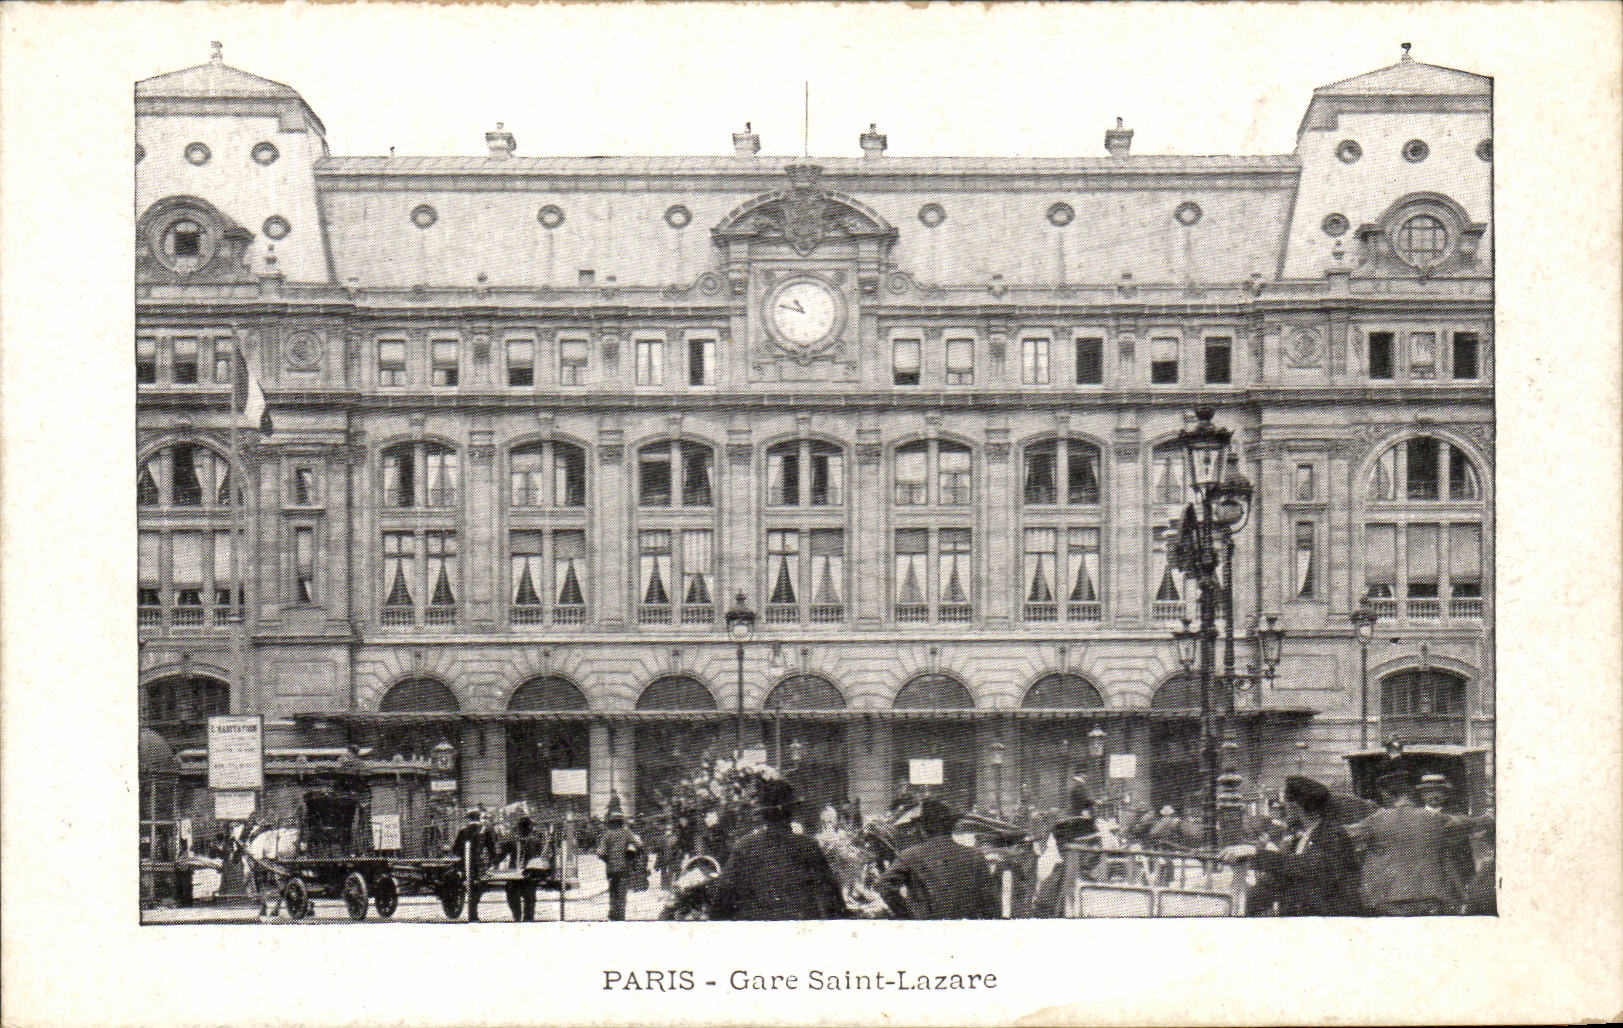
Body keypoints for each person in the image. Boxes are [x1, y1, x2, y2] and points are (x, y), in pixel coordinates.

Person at [709, 779, 847, 920]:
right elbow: (832, 899)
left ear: (763, 814)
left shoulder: (745, 847)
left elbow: (721, 901)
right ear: (792, 812)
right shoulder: (808, 846)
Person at [1222, 776, 1360, 916]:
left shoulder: (1333, 835)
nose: (1283, 809)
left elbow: (1304, 867)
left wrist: (1254, 852)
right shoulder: (1301, 837)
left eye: (1285, 803)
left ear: (1296, 807)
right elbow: (1281, 877)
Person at [1343, 772, 1462, 916]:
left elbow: (1344, 836)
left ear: (1386, 794)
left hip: (1390, 897)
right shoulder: (1435, 818)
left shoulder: (1377, 819)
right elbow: (1469, 823)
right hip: (1430, 897)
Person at [879, 799, 1001, 920]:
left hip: (924, 930)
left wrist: (907, 915)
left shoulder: (910, 855)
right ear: (952, 827)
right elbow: (990, 903)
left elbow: (884, 886)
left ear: (923, 828)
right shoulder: (974, 855)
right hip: (963, 931)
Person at [450, 808, 496, 922]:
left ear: (468, 819)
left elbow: (456, 849)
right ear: (478, 818)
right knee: (478, 887)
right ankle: (473, 913)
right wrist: (492, 862)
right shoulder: (485, 831)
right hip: (480, 866)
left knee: (468, 885)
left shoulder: (463, 831)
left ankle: (472, 913)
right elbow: (492, 850)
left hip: (464, 865)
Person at [498, 816, 544, 922]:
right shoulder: (511, 842)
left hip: (528, 874)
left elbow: (539, 857)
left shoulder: (535, 842)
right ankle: (517, 915)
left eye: (526, 829)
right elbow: (502, 855)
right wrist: (494, 863)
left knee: (529, 896)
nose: (524, 831)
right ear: (519, 829)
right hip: (514, 874)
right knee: (512, 894)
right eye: (522, 828)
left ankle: (527, 918)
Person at [597, 812, 641, 921]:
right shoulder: (626, 832)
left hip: (611, 869)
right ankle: (621, 915)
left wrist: (607, 860)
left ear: (611, 822)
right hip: (623, 868)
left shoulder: (607, 834)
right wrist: (631, 854)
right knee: (622, 893)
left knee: (612, 891)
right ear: (621, 822)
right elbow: (639, 844)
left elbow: (600, 853)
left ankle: (613, 912)